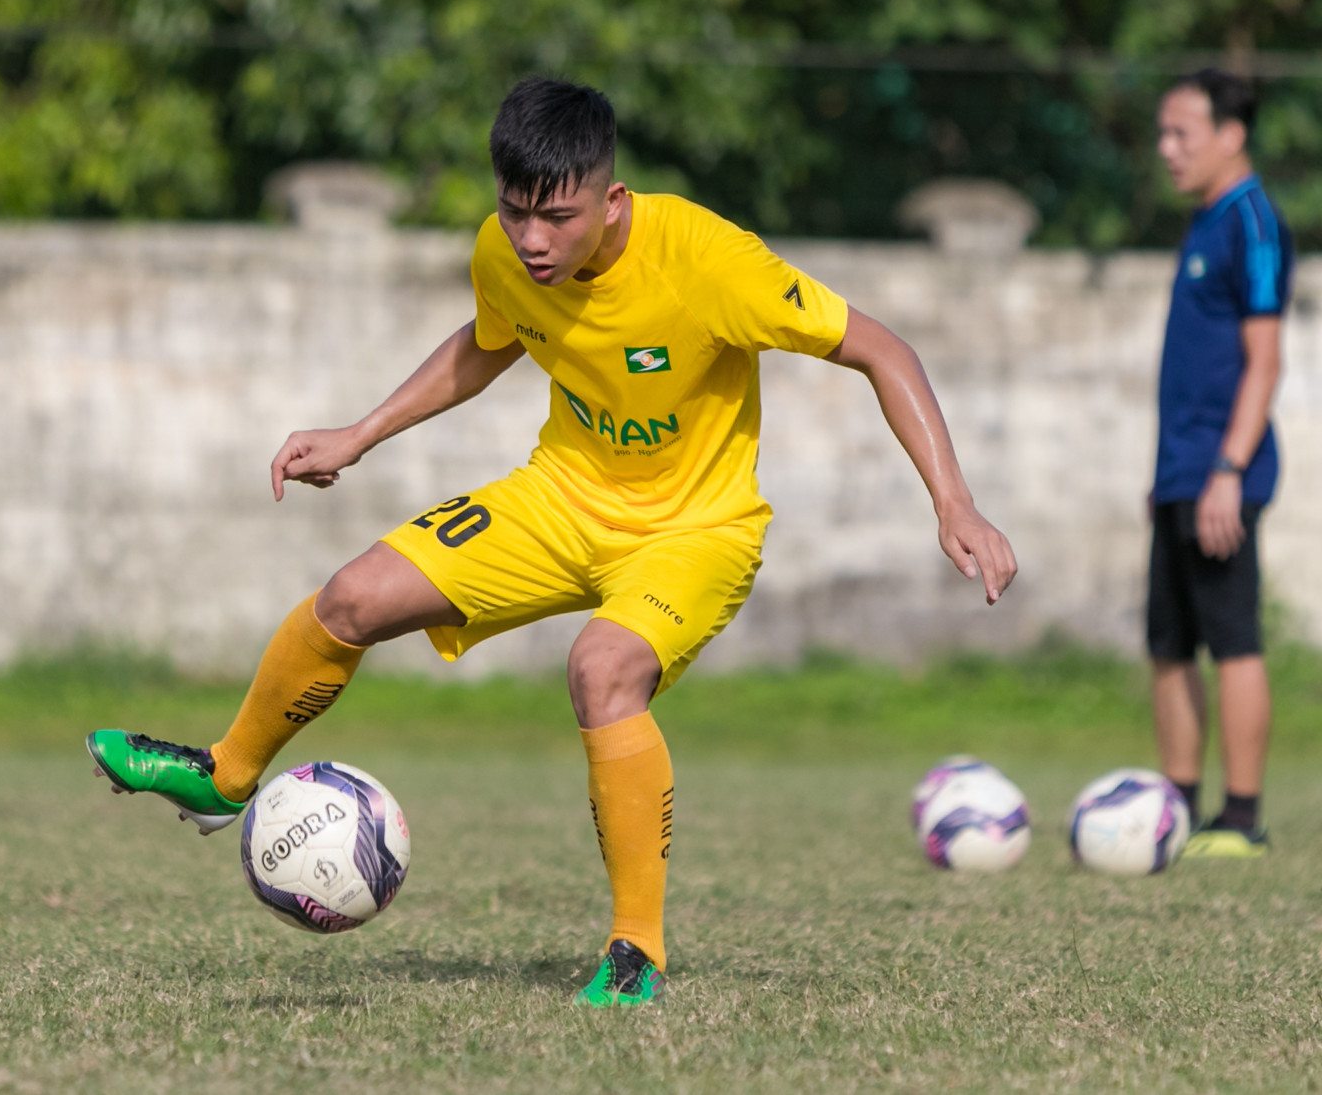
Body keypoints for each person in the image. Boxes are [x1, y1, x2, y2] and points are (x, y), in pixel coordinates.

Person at [87, 77, 1016, 1006]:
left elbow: (883, 350)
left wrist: (956, 503)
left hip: (695, 532)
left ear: (612, 202)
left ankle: (636, 951)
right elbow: (492, 339)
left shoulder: (708, 260)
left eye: (558, 218)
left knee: (600, 669)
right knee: (353, 598)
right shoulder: (505, 252)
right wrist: (360, 433)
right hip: (559, 501)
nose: (532, 239)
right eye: (515, 211)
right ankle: (226, 774)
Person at [1148, 70, 1290, 860]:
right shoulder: (1202, 222)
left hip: (1221, 478)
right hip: (1177, 473)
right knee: (1167, 642)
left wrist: (1228, 470)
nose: (1167, 150)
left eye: (1182, 134)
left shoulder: (1252, 224)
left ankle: (1241, 817)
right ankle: (1171, 811)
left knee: (1231, 639)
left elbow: (1265, 362)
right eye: (1162, 134)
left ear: (1231, 135)